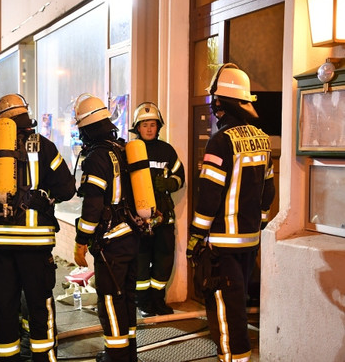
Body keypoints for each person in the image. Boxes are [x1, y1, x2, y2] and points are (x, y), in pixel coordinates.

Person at [0, 93, 76, 361]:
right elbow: (68, 188)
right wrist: (44, 196)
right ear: (26, 116)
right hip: (36, 247)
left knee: (4, 308)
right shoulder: (44, 146)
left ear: (0, 121)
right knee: (39, 306)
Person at [188, 63, 275, 362]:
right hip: (249, 242)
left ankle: (233, 358)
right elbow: (268, 194)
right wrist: (257, 225)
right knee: (239, 305)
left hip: (221, 246)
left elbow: (209, 197)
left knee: (226, 312)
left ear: (219, 103)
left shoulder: (220, 142)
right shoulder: (263, 140)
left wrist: (195, 238)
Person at [73, 94, 141, 362]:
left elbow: (92, 206)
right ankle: (129, 354)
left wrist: (81, 241)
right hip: (132, 236)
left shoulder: (97, 157)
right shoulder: (122, 149)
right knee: (127, 298)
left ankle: (116, 357)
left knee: (111, 300)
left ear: (87, 128)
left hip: (111, 242)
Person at [129, 102, 185, 317]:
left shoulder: (166, 150)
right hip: (139, 219)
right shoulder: (131, 151)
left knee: (164, 259)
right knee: (141, 261)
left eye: (153, 125)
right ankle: (142, 302)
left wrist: (170, 184)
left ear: (158, 127)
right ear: (137, 128)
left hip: (163, 218)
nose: (149, 129)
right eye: (145, 125)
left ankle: (158, 301)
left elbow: (180, 176)